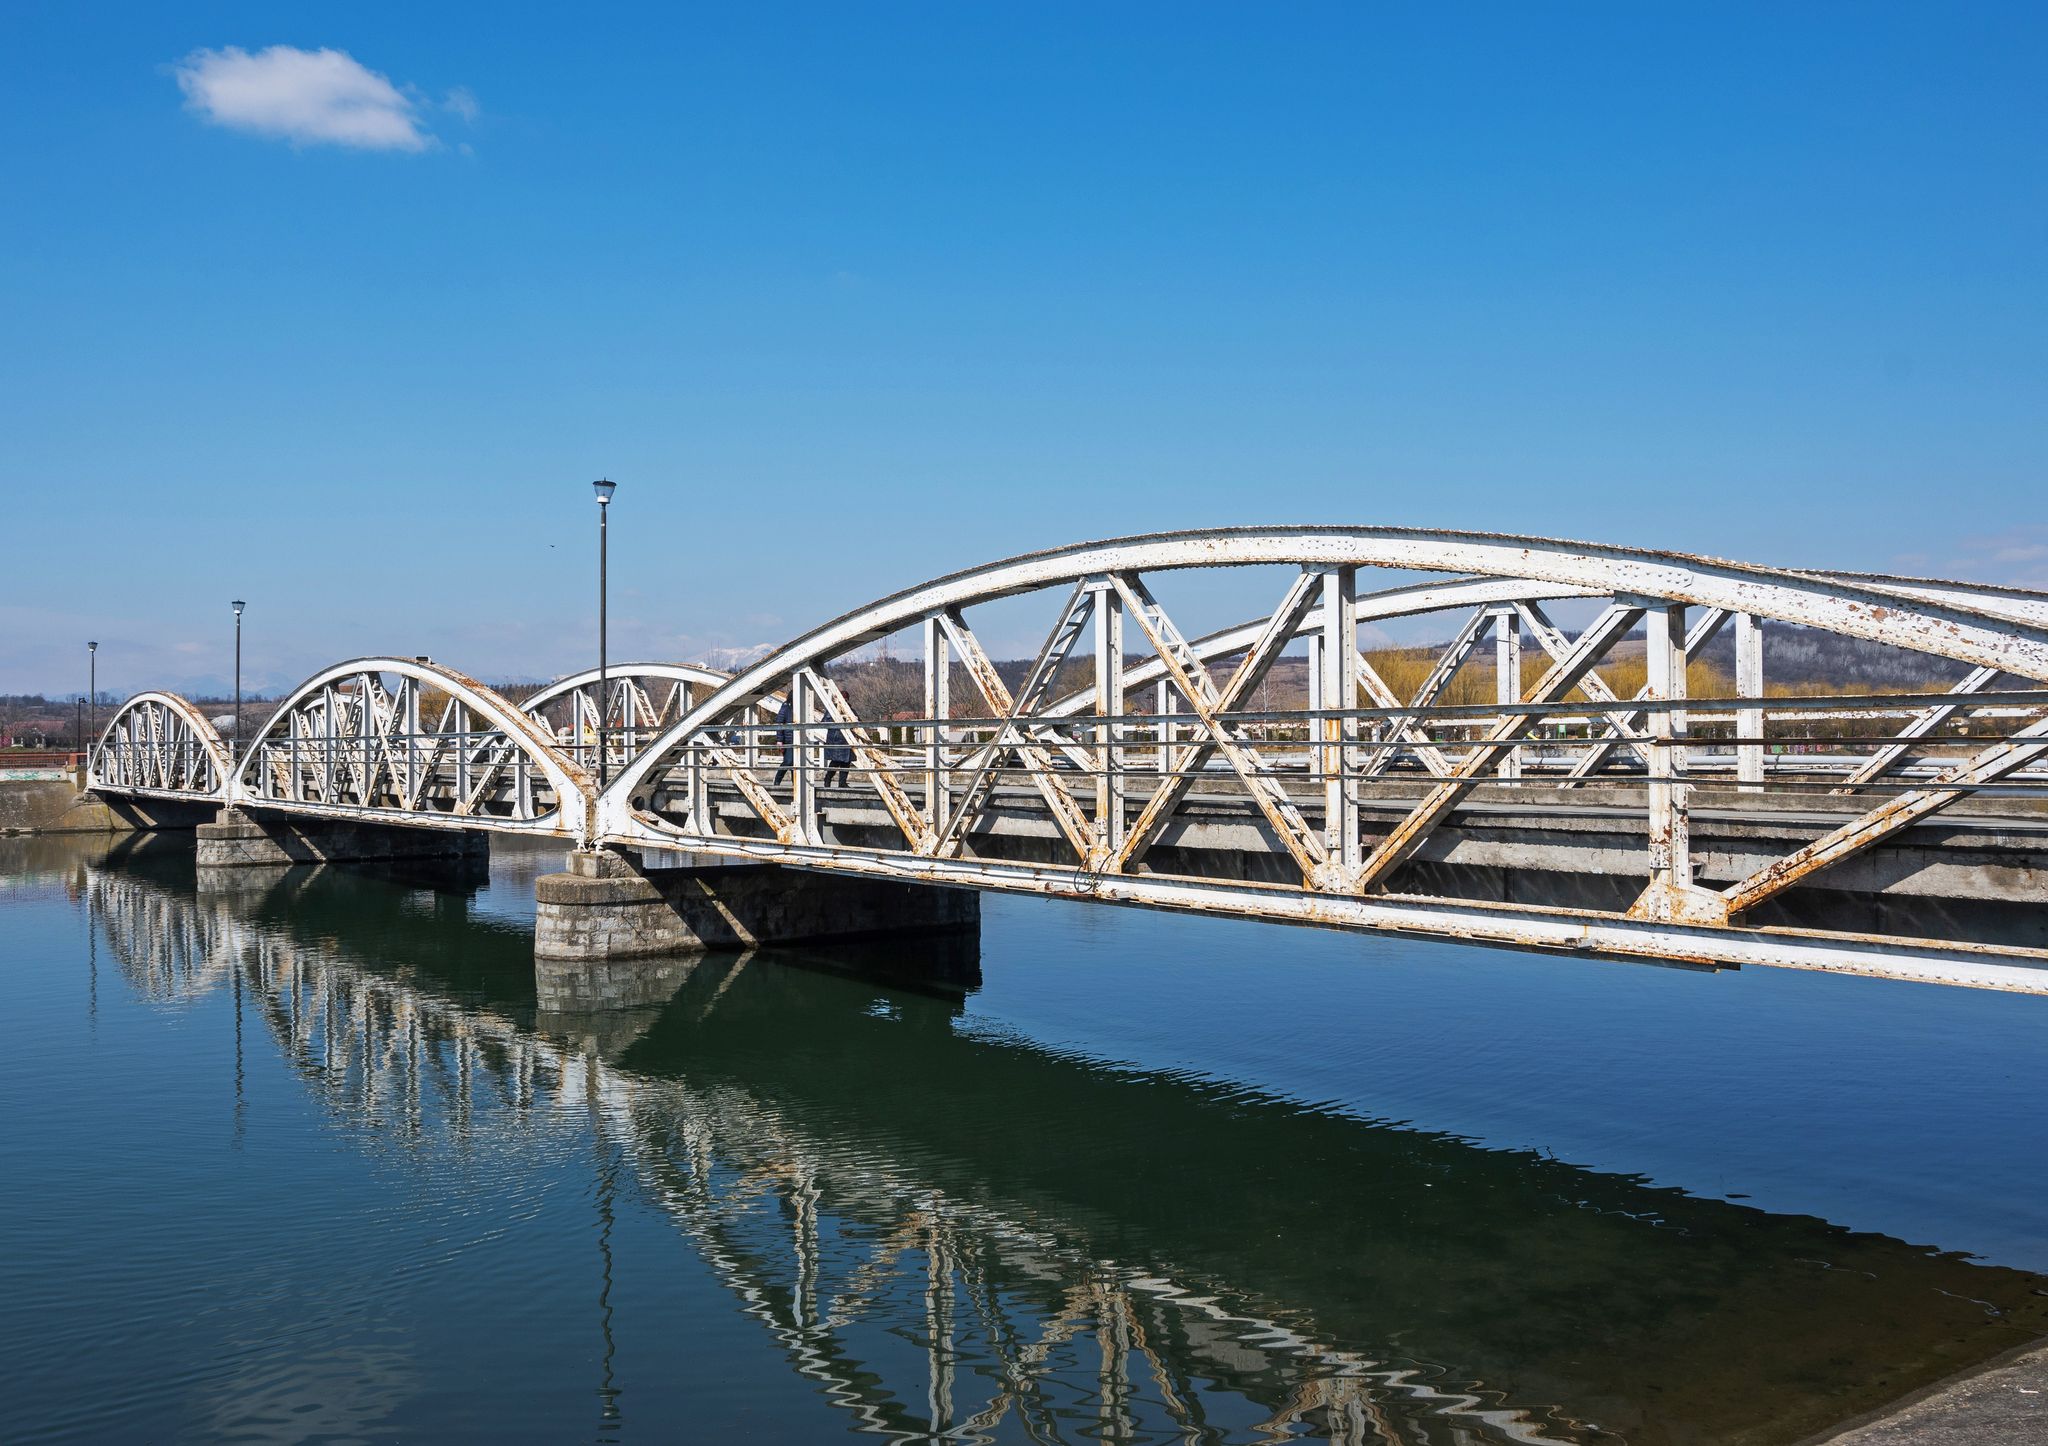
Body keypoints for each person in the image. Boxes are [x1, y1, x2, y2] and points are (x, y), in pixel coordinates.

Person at [770, 695, 794, 786]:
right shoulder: (786, 707)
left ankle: (795, 784)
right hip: (788, 739)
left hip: (797, 739)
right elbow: (779, 723)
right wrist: (779, 740)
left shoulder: (799, 707)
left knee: (795, 763)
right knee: (788, 761)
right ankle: (777, 780)